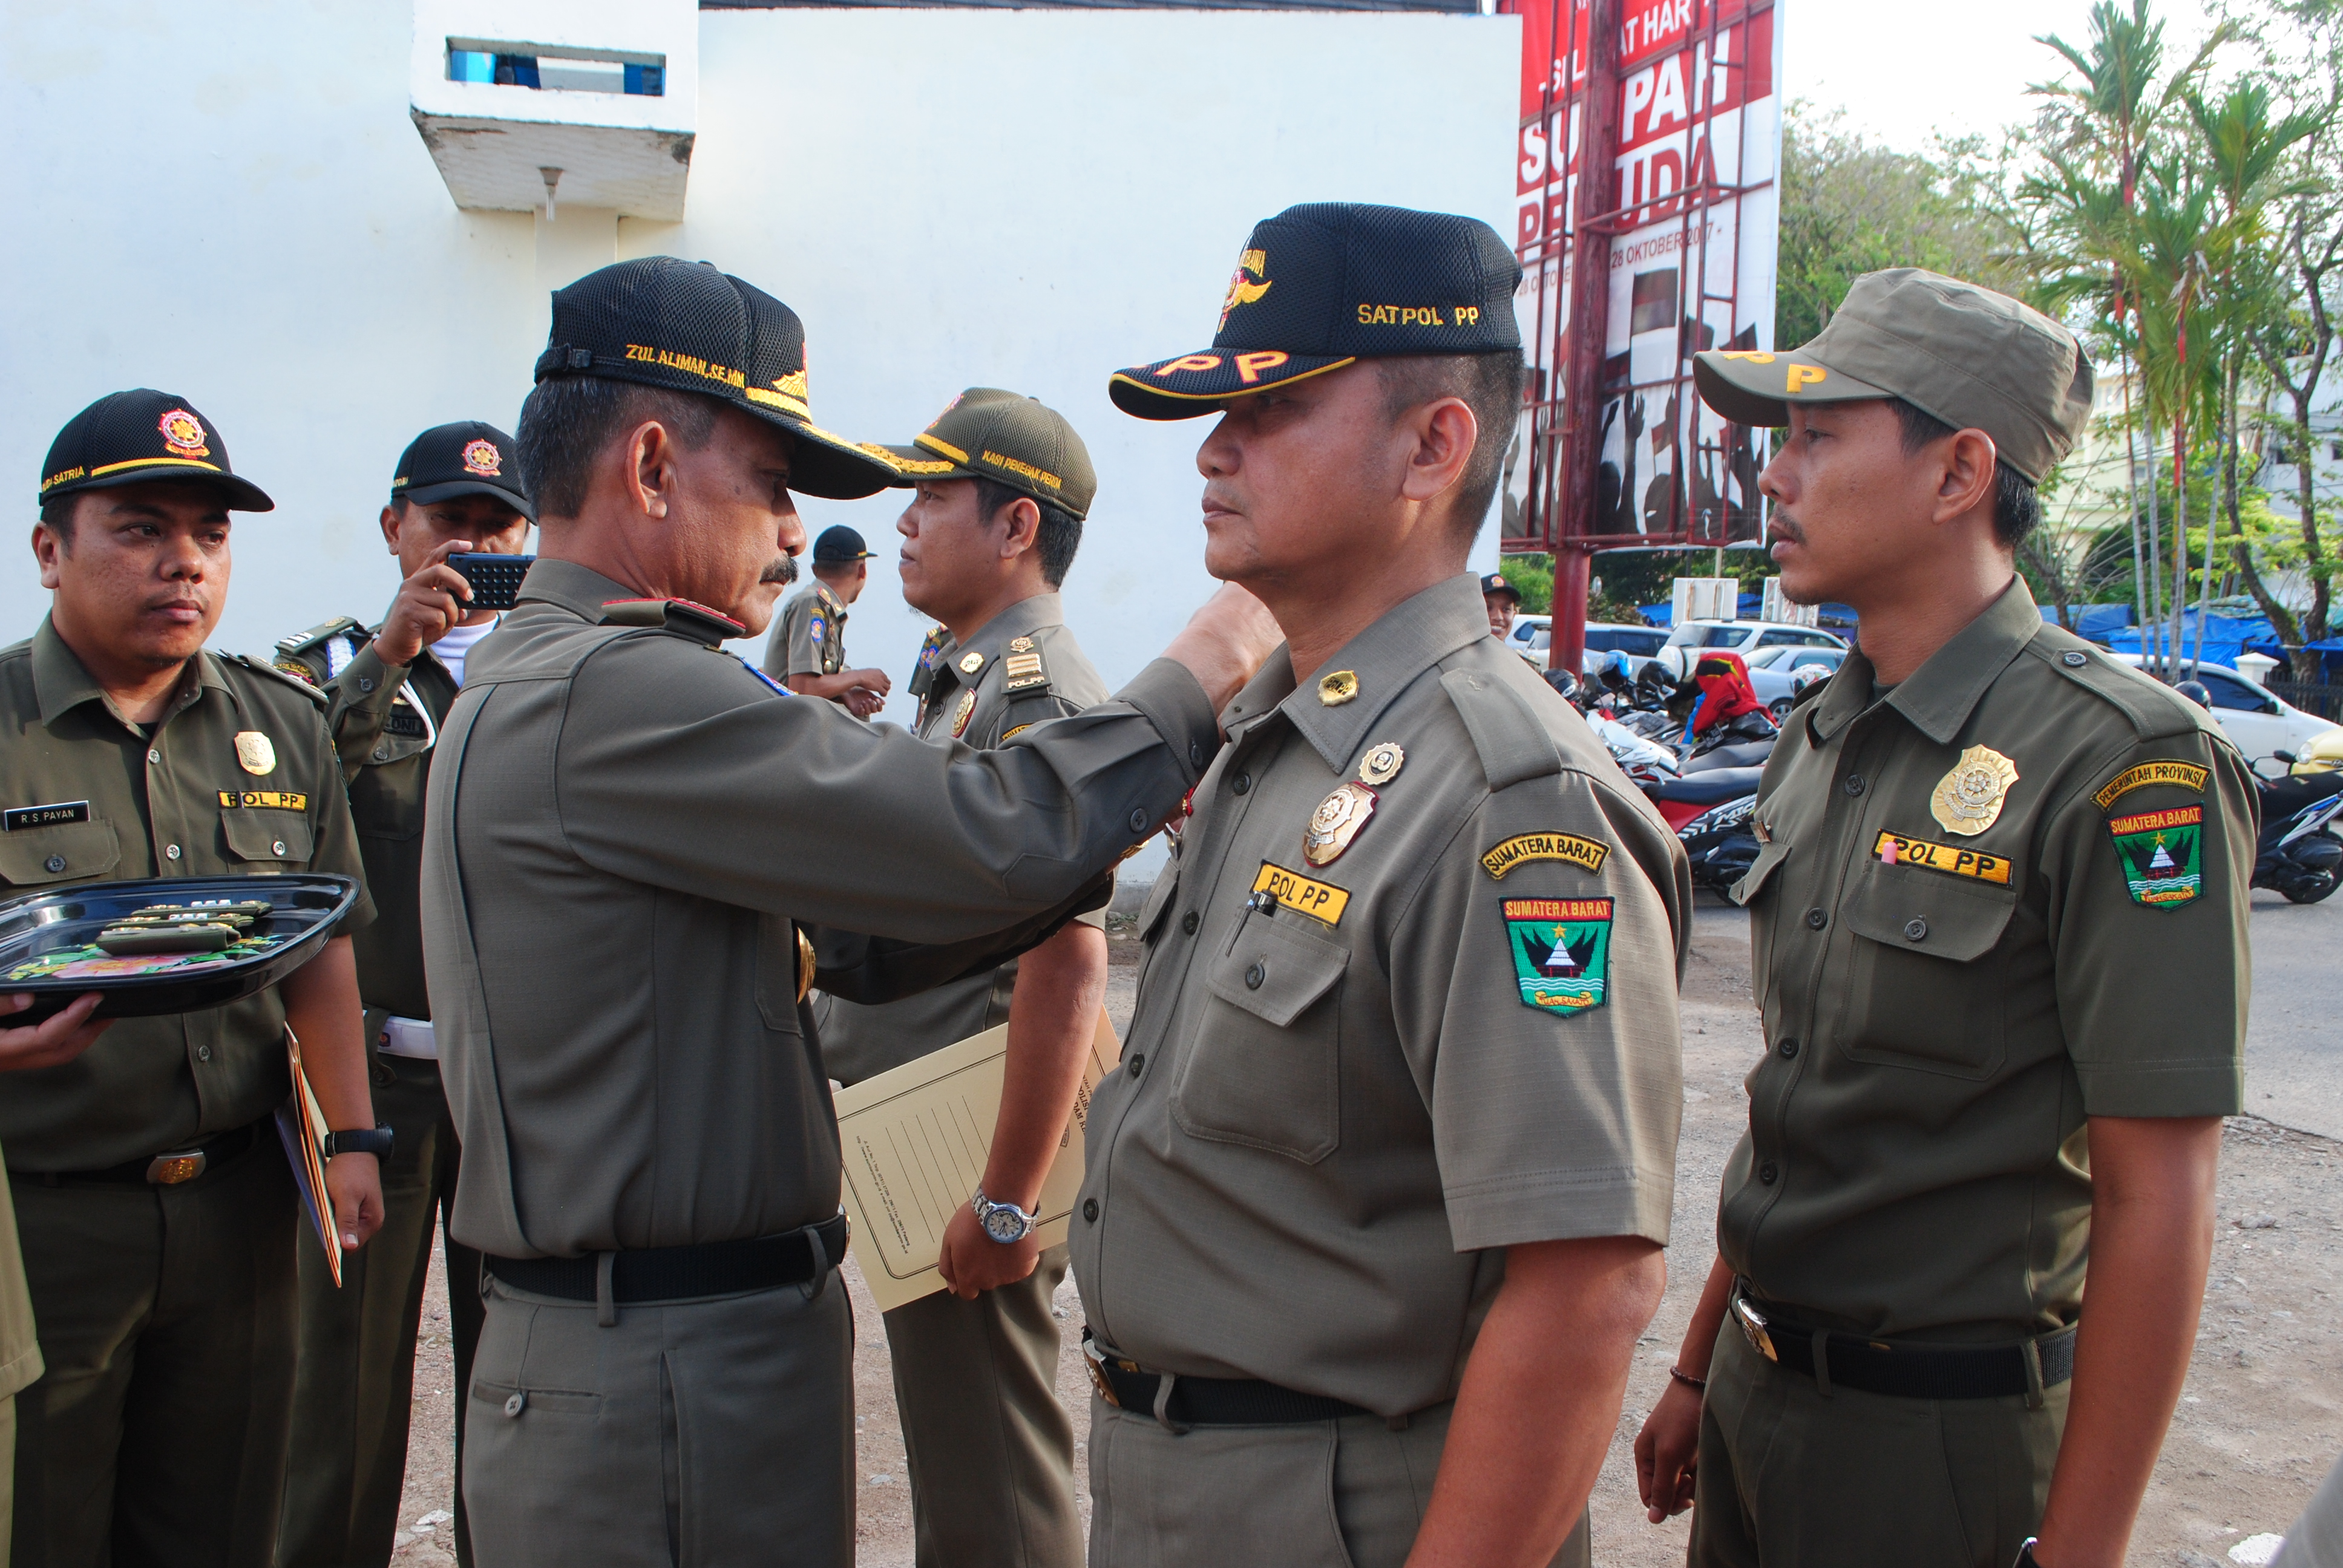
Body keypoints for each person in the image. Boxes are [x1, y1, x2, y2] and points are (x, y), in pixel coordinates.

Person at [420, 256, 1277, 1568]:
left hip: (652, 1355)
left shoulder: (556, 674)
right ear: (650, 467)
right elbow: (979, 839)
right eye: (769, 485)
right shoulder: (627, 690)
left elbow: (882, 933)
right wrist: (1206, 668)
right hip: (663, 1378)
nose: (790, 534)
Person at [1076, 201, 1688, 1568]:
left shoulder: (1510, 797)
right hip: (1178, 1482)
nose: (1215, 448)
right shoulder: (1281, 742)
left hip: (1342, 1514)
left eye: (1276, 405)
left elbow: (1589, 1285)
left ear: (1435, 443)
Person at [1632, 268, 2251, 1568]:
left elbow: (2160, 1193)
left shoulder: (2124, 764)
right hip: (1760, 1400)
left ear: (1958, 471)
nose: (1772, 476)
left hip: (1939, 1449)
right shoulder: (1824, 734)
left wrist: (2078, 1554)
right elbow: (1804, 1102)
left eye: (1815, 436)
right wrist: (1699, 1366)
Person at [4, 390, 384, 1567]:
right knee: (40, 1525)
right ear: (51, 549)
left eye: (210, 536)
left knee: (219, 1528)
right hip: (42, 1225)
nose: (184, 562)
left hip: (239, 1214)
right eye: (141, 527)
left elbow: (321, 942)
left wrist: (355, 1140)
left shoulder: (282, 725)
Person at [815, 387, 1109, 1568]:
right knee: (958, 1462)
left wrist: (1004, 1200)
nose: (903, 523)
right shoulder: (962, 672)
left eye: (930, 497)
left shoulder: (1032, 696)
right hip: (919, 1138)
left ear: (1014, 527)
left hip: (968, 1156)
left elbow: (1066, 955)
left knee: (993, 1469)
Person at [272, 420, 534, 1568]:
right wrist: (386, 656)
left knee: (518, 1385)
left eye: (498, 529)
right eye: (450, 524)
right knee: (340, 1386)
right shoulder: (325, 677)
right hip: (367, 1082)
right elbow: (281, 821)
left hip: (512, 1086)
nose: (472, 549)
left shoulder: (556, 674)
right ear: (395, 531)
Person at [763, 523, 890, 717]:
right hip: (790, 731)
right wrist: (859, 677)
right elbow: (802, 689)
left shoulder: (825, 608)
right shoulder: (812, 605)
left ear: (815, 569)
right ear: (862, 570)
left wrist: (846, 692)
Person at [1483, 569, 1521, 639]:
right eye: (1487, 608)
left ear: (1514, 615)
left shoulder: (1511, 651)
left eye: (1506, 609)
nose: (1498, 617)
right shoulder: (1460, 650)